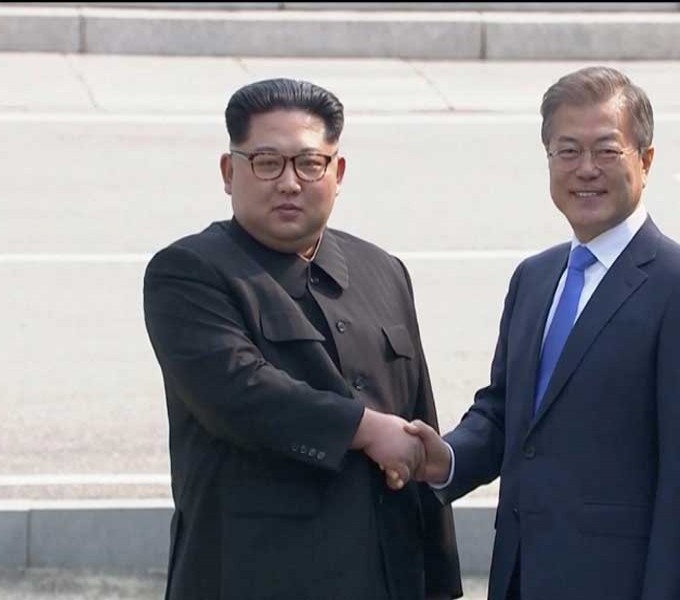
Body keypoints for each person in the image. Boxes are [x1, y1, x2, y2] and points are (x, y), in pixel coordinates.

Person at [404, 66, 680, 600]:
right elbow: (504, 412)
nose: (586, 170)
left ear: (645, 161)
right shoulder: (534, 278)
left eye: (607, 151)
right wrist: (446, 457)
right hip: (520, 575)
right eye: (567, 151)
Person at [143, 78, 462, 600]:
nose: (289, 182)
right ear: (229, 172)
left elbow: (418, 422)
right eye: (267, 162)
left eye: (309, 164)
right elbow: (240, 392)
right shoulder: (189, 273)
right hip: (253, 576)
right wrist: (364, 428)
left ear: (337, 173)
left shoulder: (382, 270)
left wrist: (440, 584)